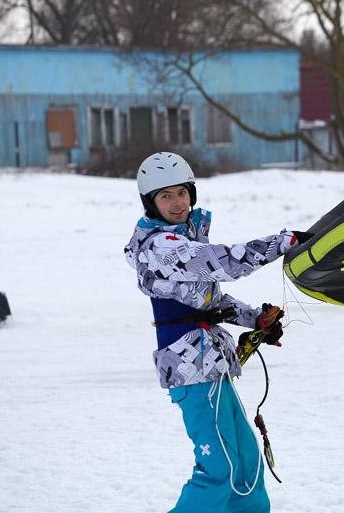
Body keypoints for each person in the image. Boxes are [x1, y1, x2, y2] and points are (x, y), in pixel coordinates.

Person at [125, 152, 302, 513]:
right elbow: (224, 263)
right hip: (190, 371)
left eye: (181, 192)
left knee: (246, 462)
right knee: (218, 468)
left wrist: (255, 320)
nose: (177, 203)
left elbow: (211, 301)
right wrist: (280, 243)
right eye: (165, 196)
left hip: (212, 364)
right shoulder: (161, 247)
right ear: (151, 203)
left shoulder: (184, 238)